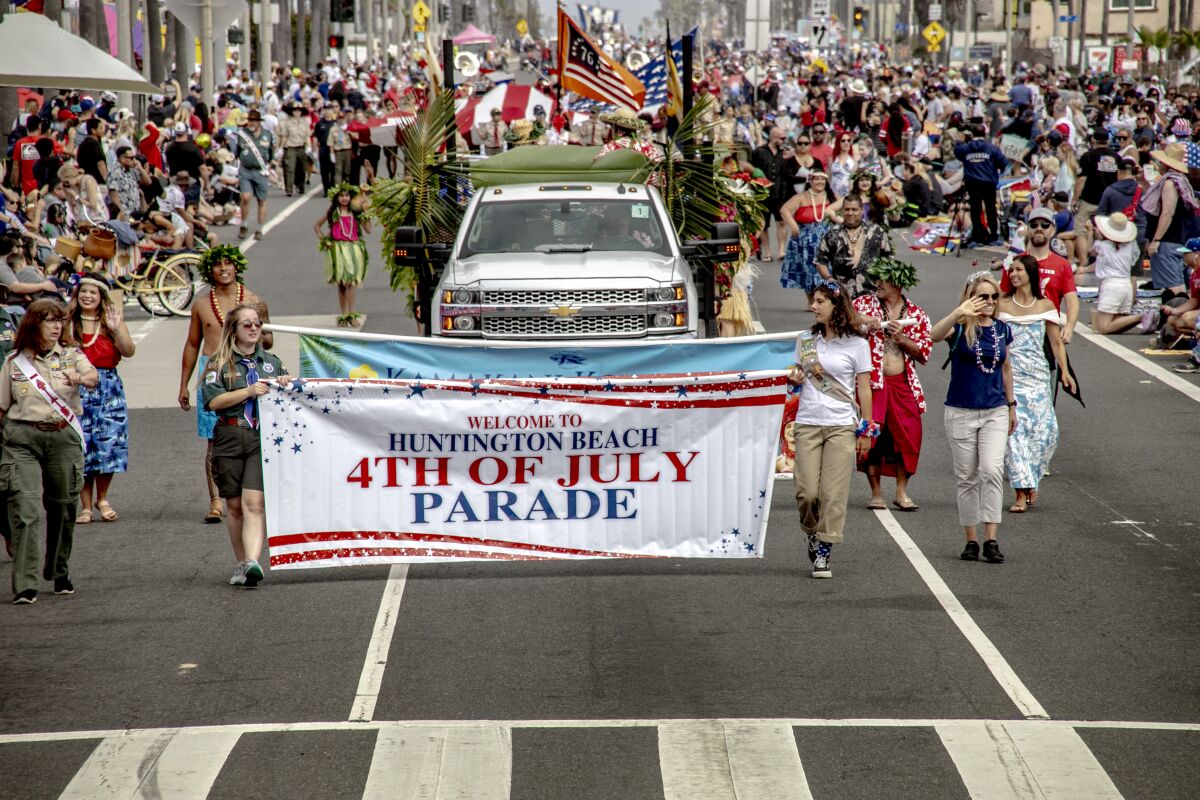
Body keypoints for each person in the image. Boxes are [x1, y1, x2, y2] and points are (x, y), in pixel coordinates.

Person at [0, 299, 99, 604]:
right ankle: (25, 584)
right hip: (22, 439)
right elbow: (2, 407)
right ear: (34, 324)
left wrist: (81, 379)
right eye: (49, 320)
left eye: (60, 320)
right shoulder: (14, 362)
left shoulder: (71, 355)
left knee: (65, 505)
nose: (57, 326)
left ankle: (58, 570)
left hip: (62, 434)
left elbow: (93, 377)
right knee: (25, 510)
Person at [178, 245, 273, 524]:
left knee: (250, 433)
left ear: (236, 268)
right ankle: (215, 500)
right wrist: (184, 384)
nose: (223, 269)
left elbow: (268, 342)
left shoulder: (254, 300)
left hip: (248, 371)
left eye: (227, 264)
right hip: (213, 370)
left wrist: (262, 327)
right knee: (213, 439)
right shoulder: (201, 304)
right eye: (217, 265)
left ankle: (250, 493)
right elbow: (193, 344)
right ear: (210, 271)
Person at [786, 279, 873, 579]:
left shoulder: (858, 345)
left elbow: (865, 390)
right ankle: (812, 531)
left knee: (833, 493)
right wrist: (793, 380)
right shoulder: (805, 341)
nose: (813, 306)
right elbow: (796, 377)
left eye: (821, 301)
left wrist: (866, 430)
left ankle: (824, 549)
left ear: (837, 306)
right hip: (808, 422)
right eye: (814, 301)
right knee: (807, 493)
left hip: (840, 426)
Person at [200, 304, 290, 588]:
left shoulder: (271, 363)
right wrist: (248, 391)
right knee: (235, 506)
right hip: (229, 434)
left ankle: (252, 561)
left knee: (254, 502)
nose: (254, 329)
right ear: (234, 330)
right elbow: (213, 402)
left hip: (260, 438)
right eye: (247, 324)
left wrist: (286, 384)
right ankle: (242, 563)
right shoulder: (219, 363)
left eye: (258, 324)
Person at [930, 272, 1016, 564]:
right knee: (967, 477)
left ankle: (991, 538)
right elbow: (932, 335)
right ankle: (971, 540)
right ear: (971, 298)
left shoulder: (1002, 329)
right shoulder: (959, 326)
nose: (990, 302)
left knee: (991, 470)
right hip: (960, 410)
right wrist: (958, 312)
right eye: (983, 296)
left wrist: (1012, 405)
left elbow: (1006, 369)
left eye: (994, 297)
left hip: (995, 410)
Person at [853, 257, 932, 512]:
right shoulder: (864, 303)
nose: (877, 283)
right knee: (873, 434)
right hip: (873, 382)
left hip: (902, 382)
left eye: (883, 280)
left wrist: (901, 339)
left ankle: (901, 491)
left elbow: (923, 352)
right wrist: (863, 319)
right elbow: (845, 319)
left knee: (909, 435)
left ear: (898, 283)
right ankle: (876, 492)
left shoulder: (917, 314)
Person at [997, 255, 1075, 513]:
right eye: (1011, 270)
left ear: (1030, 272)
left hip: (1039, 376)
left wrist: (1064, 372)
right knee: (1015, 433)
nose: (1014, 273)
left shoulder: (1045, 305)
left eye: (1019, 269)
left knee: (1046, 433)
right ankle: (1020, 493)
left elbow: (1055, 343)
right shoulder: (1002, 304)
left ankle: (1032, 479)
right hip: (1010, 378)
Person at [67, 274, 134, 523]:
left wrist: (117, 330)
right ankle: (85, 504)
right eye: (83, 291)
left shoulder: (110, 321)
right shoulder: (68, 321)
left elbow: (128, 351)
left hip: (108, 387)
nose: (87, 296)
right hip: (75, 387)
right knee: (81, 444)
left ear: (101, 297)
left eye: (93, 293)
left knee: (109, 444)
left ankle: (102, 497)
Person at [1000, 208, 1080, 344]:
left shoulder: (1062, 265)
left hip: (1048, 333)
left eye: (1045, 225)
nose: (1039, 228)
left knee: (1060, 365)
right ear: (1028, 229)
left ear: (1053, 230)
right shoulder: (1014, 262)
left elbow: (1072, 301)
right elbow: (1002, 298)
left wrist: (1069, 327)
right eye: (1034, 225)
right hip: (1017, 331)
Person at [780, 170, 840, 311]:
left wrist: (835, 216)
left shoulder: (830, 197)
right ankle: (811, 300)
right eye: (816, 179)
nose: (820, 182)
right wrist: (794, 227)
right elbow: (784, 210)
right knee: (809, 270)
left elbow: (846, 202)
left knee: (829, 268)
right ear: (810, 181)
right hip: (806, 240)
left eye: (822, 179)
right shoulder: (801, 197)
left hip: (827, 237)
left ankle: (830, 298)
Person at [1142, 142, 1197, 296]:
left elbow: (1167, 212)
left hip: (1166, 240)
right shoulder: (1179, 180)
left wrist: (1156, 239)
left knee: (1173, 286)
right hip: (1174, 238)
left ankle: (1174, 315)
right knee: (1174, 281)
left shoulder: (1169, 183)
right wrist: (1143, 182)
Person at [314, 183, 371, 328]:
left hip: (353, 248)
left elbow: (368, 229)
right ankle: (344, 315)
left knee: (350, 281)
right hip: (338, 249)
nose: (344, 198)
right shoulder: (333, 212)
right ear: (336, 198)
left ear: (351, 197)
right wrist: (325, 241)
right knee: (341, 284)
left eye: (347, 195)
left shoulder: (356, 213)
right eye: (341, 196)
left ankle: (352, 314)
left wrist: (366, 212)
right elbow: (317, 226)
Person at [814, 194, 893, 294]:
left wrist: (883, 283)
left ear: (862, 210)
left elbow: (889, 258)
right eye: (847, 209)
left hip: (871, 294)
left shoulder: (877, 233)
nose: (850, 213)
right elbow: (820, 261)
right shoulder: (832, 234)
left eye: (854, 209)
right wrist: (829, 279)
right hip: (842, 296)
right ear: (842, 211)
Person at [1088, 213, 1153, 335]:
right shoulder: (1131, 244)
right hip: (1126, 284)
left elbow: (1090, 251)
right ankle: (1144, 317)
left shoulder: (1102, 245)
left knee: (1104, 327)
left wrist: (1090, 234)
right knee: (1116, 322)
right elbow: (1134, 259)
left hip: (1111, 286)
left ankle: (1141, 316)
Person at [1071, 128, 1120, 269]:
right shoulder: (1116, 157)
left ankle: (1083, 262)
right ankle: (1106, 263)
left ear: (1093, 140)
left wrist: (1075, 199)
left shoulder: (1088, 156)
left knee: (1081, 230)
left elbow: (1081, 180)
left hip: (1089, 199)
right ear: (1108, 140)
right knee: (1108, 231)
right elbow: (1119, 179)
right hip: (1109, 201)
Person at [955, 125, 1008, 248]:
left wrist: (960, 140)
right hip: (988, 183)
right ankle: (993, 236)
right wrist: (997, 171)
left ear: (972, 134)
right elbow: (1004, 163)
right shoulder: (992, 148)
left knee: (975, 210)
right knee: (991, 209)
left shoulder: (966, 147)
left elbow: (957, 152)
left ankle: (977, 237)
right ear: (985, 134)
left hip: (973, 184)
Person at [751, 126, 798, 262]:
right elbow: (752, 170)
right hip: (763, 193)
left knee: (781, 222)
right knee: (764, 224)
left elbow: (792, 171)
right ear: (773, 138)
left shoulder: (785, 152)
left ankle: (781, 250)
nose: (784, 140)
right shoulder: (759, 151)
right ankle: (767, 252)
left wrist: (791, 158)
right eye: (781, 138)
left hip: (781, 192)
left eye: (785, 138)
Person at [233, 109, 275, 241]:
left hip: (260, 171)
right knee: (245, 197)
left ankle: (259, 228)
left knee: (261, 200)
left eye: (253, 121)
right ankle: (244, 225)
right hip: (245, 170)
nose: (250, 123)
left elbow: (271, 152)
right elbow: (237, 152)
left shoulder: (267, 135)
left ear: (258, 122)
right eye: (249, 120)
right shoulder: (242, 134)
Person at [1164, 239, 1200, 373]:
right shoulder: (1194, 273)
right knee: (1174, 321)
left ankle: (1197, 359)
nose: (1184, 256)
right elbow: (1194, 300)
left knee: (1191, 320)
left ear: (1197, 254)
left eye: (1187, 253)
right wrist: (1175, 310)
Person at [277, 103, 311, 197]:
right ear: (292, 112)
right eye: (295, 110)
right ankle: (289, 189)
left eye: (299, 110)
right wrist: (281, 148)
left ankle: (301, 185)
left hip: (301, 147)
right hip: (291, 147)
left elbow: (307, 136)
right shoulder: (288, 123)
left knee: (302, 168)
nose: (297, 112)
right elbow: (284, 136)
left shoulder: (305, 123)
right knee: (290, 168)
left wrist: (309, 147)